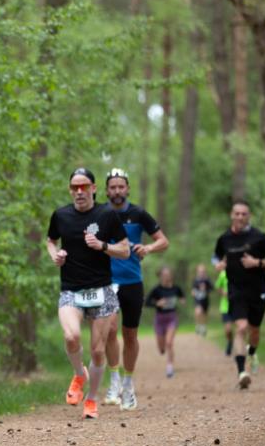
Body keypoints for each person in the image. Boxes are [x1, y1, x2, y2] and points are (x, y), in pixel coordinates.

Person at [47, 167, 130, 419]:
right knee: (71, 336)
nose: (79, 192)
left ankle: (92, 400)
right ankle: (79, 374)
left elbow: (125, 250)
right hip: (71, 289)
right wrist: (56, 255)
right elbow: (50, 240)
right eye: (75, 187)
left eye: (84, 187)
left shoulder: (107, 215)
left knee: (97, 350)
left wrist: (102, 246)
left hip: (101, 290)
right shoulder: (61, 215)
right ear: (70, 190)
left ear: (94, 188)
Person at [100, 167, 169, 411]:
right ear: (106, 190)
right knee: (109, 330)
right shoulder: (100, 213)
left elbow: (163, 240)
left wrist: (147, 248)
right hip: (106, 281)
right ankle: (114, 380)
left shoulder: (138, 213)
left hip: (132, 282)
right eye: (113, 187)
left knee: (130, 335)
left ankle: (128, 384)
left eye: (121, 187)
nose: (117, 191)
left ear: (127, 189)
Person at [212, 200, 265, 389]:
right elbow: (215, 256)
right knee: (241, 327)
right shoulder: (224, 238)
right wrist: (217, 265)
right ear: (231, 215)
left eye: (244, 214)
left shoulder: (259, 237)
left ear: (248, 216)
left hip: (259, 290)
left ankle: (252, 353)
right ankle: (242, 372)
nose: (240, 217)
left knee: (254, 330)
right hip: (236, 290)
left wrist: (258, 263)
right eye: (237, 213)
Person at [146, 266, 185, 378]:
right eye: (164, 275)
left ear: (171, 276)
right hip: (159, 319)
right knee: (161, 348)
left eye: (168, 275)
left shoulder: (176, 288)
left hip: (171, 318)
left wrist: (182, 300)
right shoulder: (156, 290)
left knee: (169, 343)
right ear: (160, 276)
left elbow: (182, 296)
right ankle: (163, 350)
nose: (166, 277)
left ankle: (170, 367)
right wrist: (157, 303)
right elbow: (147, 302)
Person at [214, 268, 235, 356]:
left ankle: (239, 352)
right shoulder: (223, 274)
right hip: (225, 307)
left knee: (240, 329)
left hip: (237, 305)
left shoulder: (239, 272)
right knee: (228, 330)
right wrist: (223, 293)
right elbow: (217, 286)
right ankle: (230, 342)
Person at [192, 264, 213, 337]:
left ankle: (203, 327)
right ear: (197, 272)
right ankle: (198, 325)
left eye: (203, 271)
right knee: (198, 312)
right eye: (200, 271)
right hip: (197, 299)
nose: (201, 273)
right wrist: (194, 293)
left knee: (204, 314)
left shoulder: (207, 280)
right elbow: (193, 290)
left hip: (205, 300)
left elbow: (212, 288)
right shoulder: (195, 280)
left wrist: (206, 289)